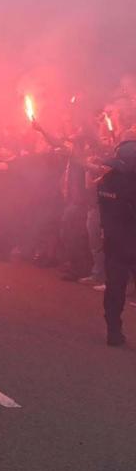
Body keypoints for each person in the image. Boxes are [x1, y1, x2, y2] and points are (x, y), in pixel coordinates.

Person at [97, 140, 136, 346]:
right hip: (130, 243)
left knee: (114, 289)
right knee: (116, 289)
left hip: (114, 244)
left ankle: (113, 332)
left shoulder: (105, 181)